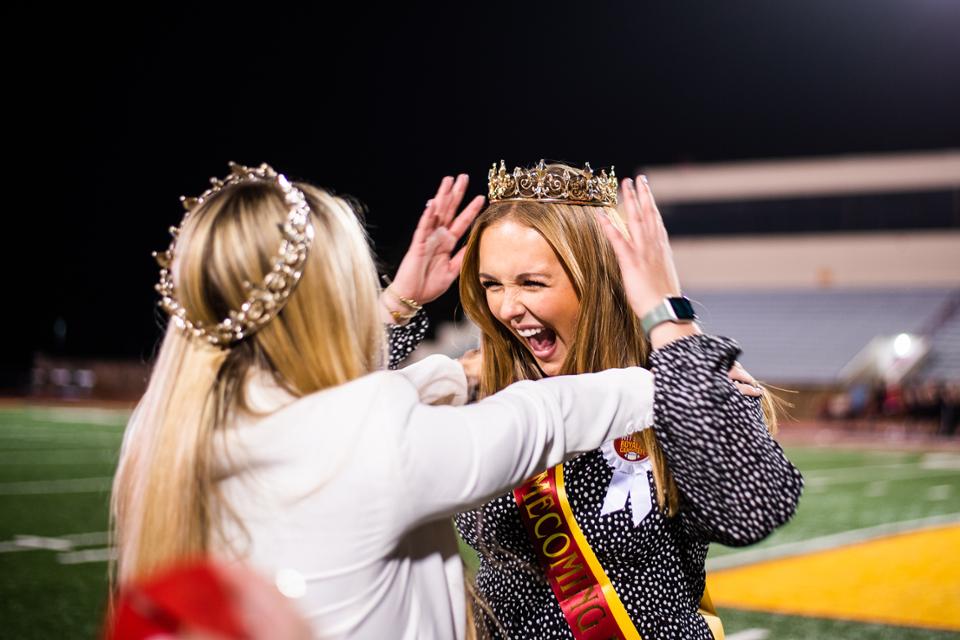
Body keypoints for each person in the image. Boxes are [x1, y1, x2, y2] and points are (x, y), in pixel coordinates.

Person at [110, 162, 681, 640]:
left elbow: (338, 397)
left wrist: (427, 345)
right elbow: (543, 416)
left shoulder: (160, 427)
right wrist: (676, 345)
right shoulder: (373, 432)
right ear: (326, 302)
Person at [454, 161, 804, 640]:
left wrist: (671, 322)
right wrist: (402, 304)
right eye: (492, 284)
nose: (507, 308)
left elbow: (747, 510)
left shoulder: (686, 381)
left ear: (600, 280)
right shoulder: (477, 387)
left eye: (532, 283)